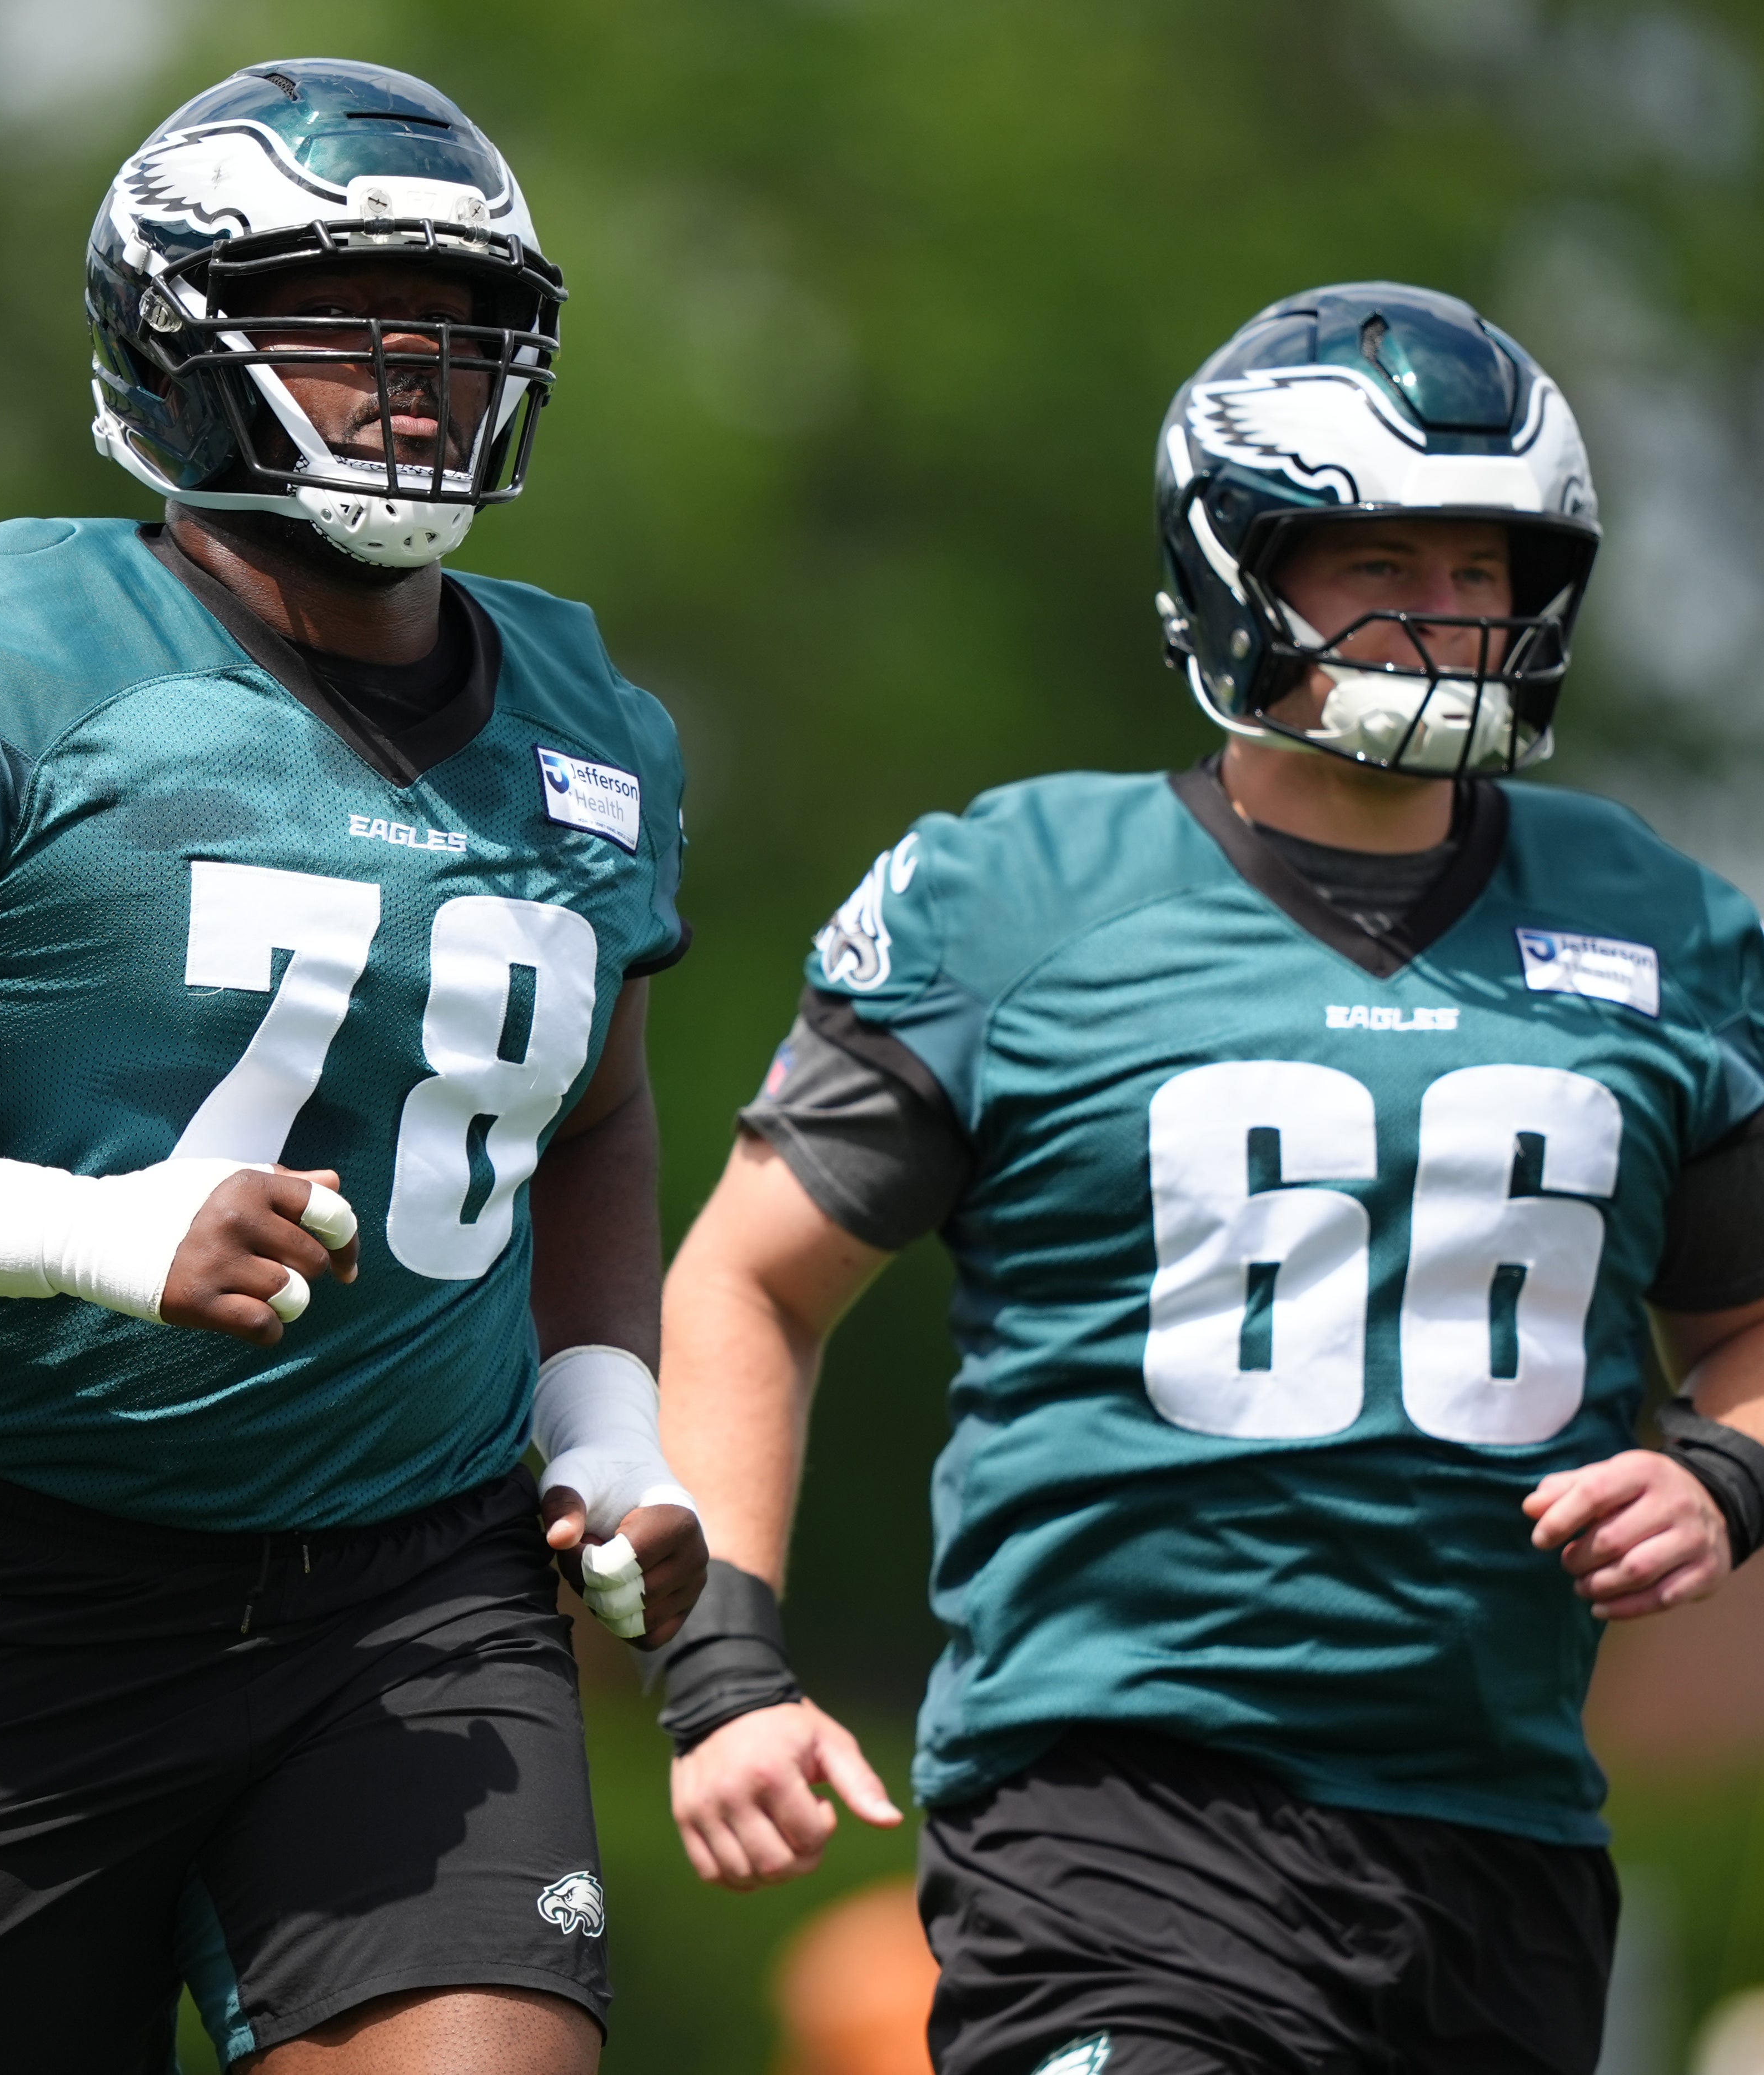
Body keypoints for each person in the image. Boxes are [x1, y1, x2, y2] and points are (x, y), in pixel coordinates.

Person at [0, 57, 702, 2075]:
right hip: (12, 1567)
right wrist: (79, 1229)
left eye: (452, 332)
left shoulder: (589, 710)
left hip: (413, 1590)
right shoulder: (13, 655)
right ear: (180, 345)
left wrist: (605, 1425)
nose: (415, 382)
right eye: (346, 328)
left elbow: (591, 1113)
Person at [652, 281, 1764, 2075]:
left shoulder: (1654, 917)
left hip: (1502, 1845)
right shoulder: (1018, 893)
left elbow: (1751, 1330)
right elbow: (745, 1283)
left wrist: (1720, 1472)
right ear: (1236, 566)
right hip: (1115, 1811)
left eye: (1484, 570)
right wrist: (723, 1666)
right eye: (1376, 560)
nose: (1445, 615)